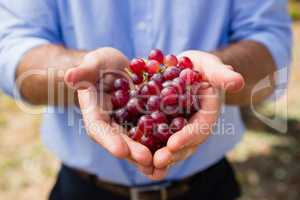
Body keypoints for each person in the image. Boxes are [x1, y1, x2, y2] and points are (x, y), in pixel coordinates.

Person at [0, 1, 292, 200]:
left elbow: (271, 41)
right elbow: (11, 46)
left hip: (208, 185)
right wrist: (80, 75)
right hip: (82, 188)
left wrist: (216, 72)